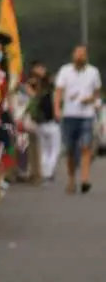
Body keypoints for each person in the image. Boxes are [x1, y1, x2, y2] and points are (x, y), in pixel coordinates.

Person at [55, 45, 101, 194]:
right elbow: (59, 91)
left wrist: (91, 100)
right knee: (69, 150)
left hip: (86, 115)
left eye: (83, 54)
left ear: (86, 57)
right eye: (78, 54)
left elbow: (97, 93)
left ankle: (85, 179)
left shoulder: (93, 72)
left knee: (86, 147)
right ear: (73, 56)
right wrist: (57, 108)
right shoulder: (65, 71)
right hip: (69, 115)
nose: (80, 57)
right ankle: (71, 179)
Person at [29, 61, 61, 182]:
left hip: (44, 121)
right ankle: (47, 172)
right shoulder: (43, 84)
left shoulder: (36, 83)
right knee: (52, 149)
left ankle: (46, 171)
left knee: (47, 149)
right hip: (45, 121)